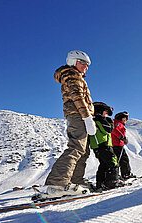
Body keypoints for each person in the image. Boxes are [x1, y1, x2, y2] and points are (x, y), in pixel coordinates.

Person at [44, 50, 96, 197]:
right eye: (84, 63)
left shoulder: (76, 76)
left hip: (80, 115)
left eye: (88, 64)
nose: (87, 67)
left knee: (83, 151)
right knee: (76, 148)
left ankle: (75, 181)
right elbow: (77, 96)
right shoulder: (71, 75)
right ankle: (56, 184)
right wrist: (87, 117)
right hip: (78, 115)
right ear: (74, 62)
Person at [89, 102, 124, 190]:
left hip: (98, 145)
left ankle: (100, 184)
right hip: (102, 145)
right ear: (100, 111)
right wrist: (105, 120)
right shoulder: (99, 119)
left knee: (104, 165)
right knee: (113, 161)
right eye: (106, 113)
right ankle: (111, 182)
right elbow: (107, 130)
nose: (107, 115)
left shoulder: (94, 119)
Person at [111, 111, 134, 180]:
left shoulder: (119, 123)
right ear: (121, 118)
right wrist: (122, 137)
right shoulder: (117, 123)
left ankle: (123, 174)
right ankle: (125, 174)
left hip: (118, 144)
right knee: (123, 159)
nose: (126, 121)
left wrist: (123, 138)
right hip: (117, 144)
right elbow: (114, 130)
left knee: (122, 159)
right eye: (125, 119)